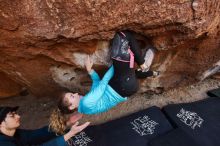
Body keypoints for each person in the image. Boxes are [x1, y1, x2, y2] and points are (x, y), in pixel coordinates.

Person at [0, 106, 90, 146]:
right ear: (1, 124)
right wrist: (68, 135)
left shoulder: (17, 133)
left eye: (16, 113)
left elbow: (38, 134)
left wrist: (67, 123)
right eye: (12, 115)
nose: (18, 116)